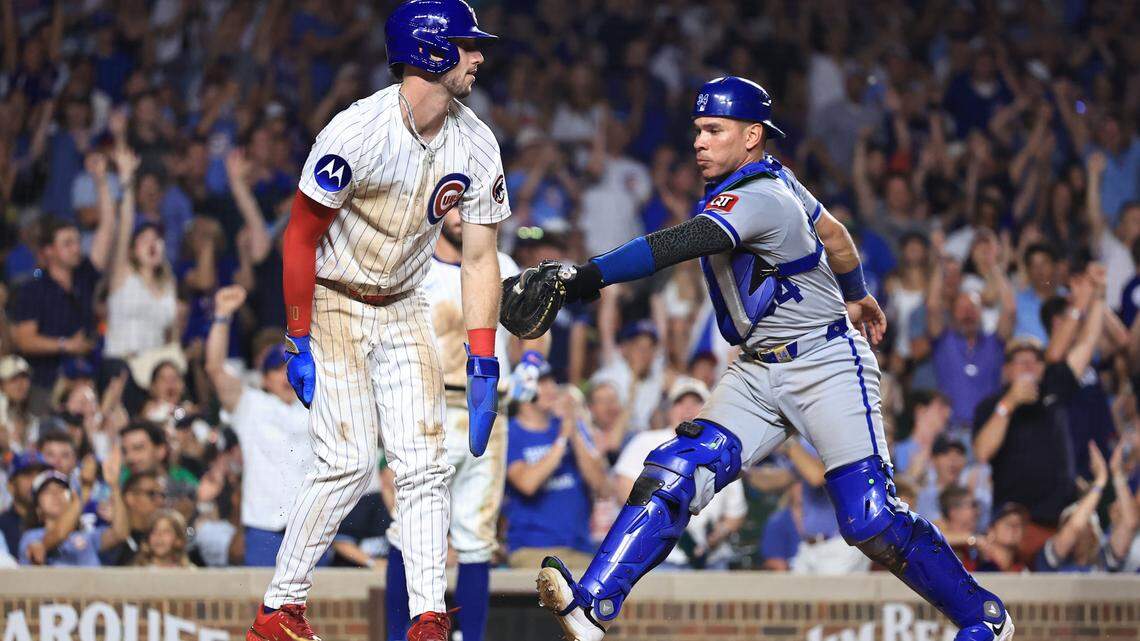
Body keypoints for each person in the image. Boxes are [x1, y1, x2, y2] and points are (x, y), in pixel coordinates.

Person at [515, 77, 1012, 641]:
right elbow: (838, 236)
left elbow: (673, 245)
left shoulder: (759, 196)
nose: (699, 141)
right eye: (697, 129)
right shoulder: (781, 179)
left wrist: (584, 276)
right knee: (678, 466)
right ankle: (594, 604)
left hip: (824, 362)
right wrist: (856, 292)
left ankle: (983, 618)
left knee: (870, 519)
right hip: (758, 368)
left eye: (713, 130)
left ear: (752, 135)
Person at [249, 2, 509, 640]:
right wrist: (298, 334)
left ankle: (426, 619)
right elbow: (300, 236)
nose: (478, 56)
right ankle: (280, 609)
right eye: (466, 45)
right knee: (346, 462)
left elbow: (479, 257)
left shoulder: (475, 140)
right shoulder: (356, 131)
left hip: (403, 304)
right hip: (335, 296)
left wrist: (481, 356)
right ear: (430, 52)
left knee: (425, 463)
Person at [383, 205, 538, 641]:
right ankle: (399, 635)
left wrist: (530, 360)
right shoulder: (413, 267)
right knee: (409, 529)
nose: (460, 214)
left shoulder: (503, 265)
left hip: (489, 413)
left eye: (467, 205)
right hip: (426, 410)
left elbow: (532, 328)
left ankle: (472, 637)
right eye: (451, 205)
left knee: (476, 539)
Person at [205, 285, 313, 567]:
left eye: (290, 367)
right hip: (264, 526)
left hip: (312, 528)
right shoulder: (251, 405)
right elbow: (215, 370)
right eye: (277, 369)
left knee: (313, 608)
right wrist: (221, 317)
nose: (285, 375)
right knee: (265, 606)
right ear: (264, 378)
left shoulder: (321, 406)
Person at [612, 378, 746, 570]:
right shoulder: (647, 441)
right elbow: (624, 491)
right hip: (656, 560)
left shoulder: (723, 453)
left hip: (710, 560)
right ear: (669, 409)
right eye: (680, 402)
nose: (687, 409)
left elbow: (736, 513)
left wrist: (716, 536)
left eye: (695, 403)